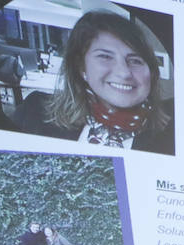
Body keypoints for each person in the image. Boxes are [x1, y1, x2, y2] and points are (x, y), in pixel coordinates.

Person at [10, 11, 174, 155]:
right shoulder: (34, 112)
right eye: (105, 57)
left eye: (136, 60)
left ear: (151, 73)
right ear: (81, 67)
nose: (124, 73)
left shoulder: (175, 132)